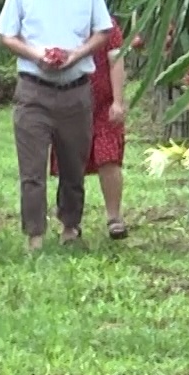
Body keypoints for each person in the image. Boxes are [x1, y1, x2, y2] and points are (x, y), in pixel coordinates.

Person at [0, 0, 113, 250]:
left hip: (75, 90)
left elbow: (102, 31)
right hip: (34, 89)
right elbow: (6, 35)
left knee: (73, 166)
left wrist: (77, 54)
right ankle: (34, 234)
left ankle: (70, 227)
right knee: (32, 169)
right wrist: (36, 54)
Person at [51, 17, 129, 239]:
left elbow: (116, 60)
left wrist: (117, 101)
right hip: (70, 101)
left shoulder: (107, 24)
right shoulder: (60, 21)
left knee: (109, 157)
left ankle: (114, 217)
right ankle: (69, 222)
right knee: (70, 162)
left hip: (103, 105)